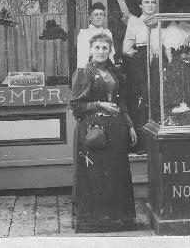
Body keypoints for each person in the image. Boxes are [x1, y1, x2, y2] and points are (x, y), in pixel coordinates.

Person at [70, 33, 137, 232]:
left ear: (110, 51)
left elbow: (121, 101)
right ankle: (95, 222)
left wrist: (129, 124)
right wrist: (101, 104)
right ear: (91, 50)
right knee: (96, 175)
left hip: (115, 129)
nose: (101, 51)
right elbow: (75, 105)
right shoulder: (84, 72)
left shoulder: (112, 72)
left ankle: (117, 219)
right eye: (97, 48)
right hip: (93, 131)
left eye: (105, 48)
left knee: (115, 173)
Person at [122, 0, 158, 153]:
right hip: (141, 64)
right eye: (146, 2)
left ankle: (156, 142)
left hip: (157, 60)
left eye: (152, 2)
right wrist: (140, 59)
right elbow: (126, 49)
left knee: (156, 99)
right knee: (141, 101)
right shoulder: (135, 22)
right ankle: (142, 144)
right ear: (140, 5)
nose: (150, 5)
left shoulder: (160, 22)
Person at [76, 2, 115, 68]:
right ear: (89, 17)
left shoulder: (107, 33)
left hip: (106, 67)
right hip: (90, 68)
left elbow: (111, 53)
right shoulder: (84, 33)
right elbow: (82, 56)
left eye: (101, 15)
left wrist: (111, 68)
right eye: (96, 15)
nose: (99, 17)